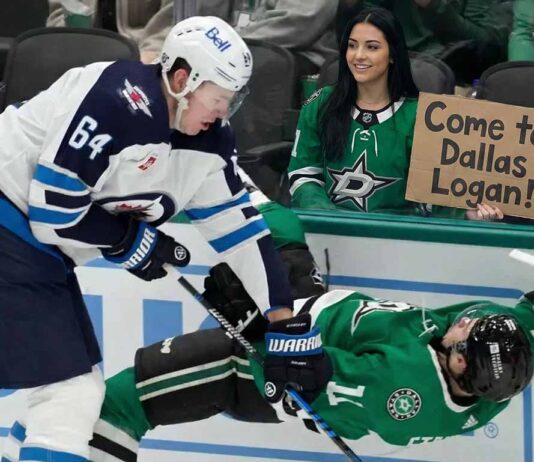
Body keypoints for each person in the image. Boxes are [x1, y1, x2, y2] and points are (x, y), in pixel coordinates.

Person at [0, 14, 337, 462]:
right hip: (12, 230)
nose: (223, 113)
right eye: (217, 99)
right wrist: (129, 242)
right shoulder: (113, 98)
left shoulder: (207, 142)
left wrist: (283, 322)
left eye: (231, 103)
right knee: (68, 395)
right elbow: (53, 210)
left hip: (33, 252)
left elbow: (242, 232)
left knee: (71, 391)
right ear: (182, 79)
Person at [36, 271, 534, 461]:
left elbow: (299, 376)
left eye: (467, 330)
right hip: (310, 302)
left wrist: (254, 327)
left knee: (128, 398)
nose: (468, 320)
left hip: (259, 376)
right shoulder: (506, 355)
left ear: (459, 360)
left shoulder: (398, 391)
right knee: (259, 212)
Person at [287, 7, 503, 221]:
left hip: (397, 237)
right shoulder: (321, 103)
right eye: (352, 46)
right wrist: (331, 219)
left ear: (392, 54)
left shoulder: (421, 116)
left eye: (372, 47)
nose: (358, 56)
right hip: (327, 231)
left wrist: (466, 213)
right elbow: (303, 175)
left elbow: (431, 199)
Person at [359, 0, 508, 84]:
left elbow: (488, 44)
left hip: (449, 74)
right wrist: (349, 6)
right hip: (389, 65)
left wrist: (432, 5)